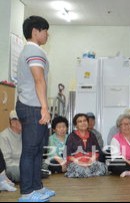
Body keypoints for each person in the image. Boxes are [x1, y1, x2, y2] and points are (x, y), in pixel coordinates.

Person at [15, 15, 55, 202]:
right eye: (45, 30)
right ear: (35, 31)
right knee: (31, 150)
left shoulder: (33, 51)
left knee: (38, 149)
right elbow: (39, 79)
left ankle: (36, 187)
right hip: (32, 106)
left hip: (33, 105)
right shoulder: (34, 51)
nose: (47, 34)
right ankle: (27, 192)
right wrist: (45, 108)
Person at [65, 113, 108, 178]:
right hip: (77, 162)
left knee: (103, 168)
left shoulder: (92, 135)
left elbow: (96, 152)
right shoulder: (71, 136)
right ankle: (88, 173)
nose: (83, 123)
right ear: (76, 125)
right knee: (79, 169)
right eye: (80, 121)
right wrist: (80, 163)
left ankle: (86, 174)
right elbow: (68, 155)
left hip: (90, 162)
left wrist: (90, 161)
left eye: (85, 121)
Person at [0, 110, 22, 183]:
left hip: (23, 165)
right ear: (13, 123)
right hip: (11, 167)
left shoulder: (25, 135)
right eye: (22, 121)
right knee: (18, 172)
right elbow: (6, 161)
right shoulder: (4, 136)